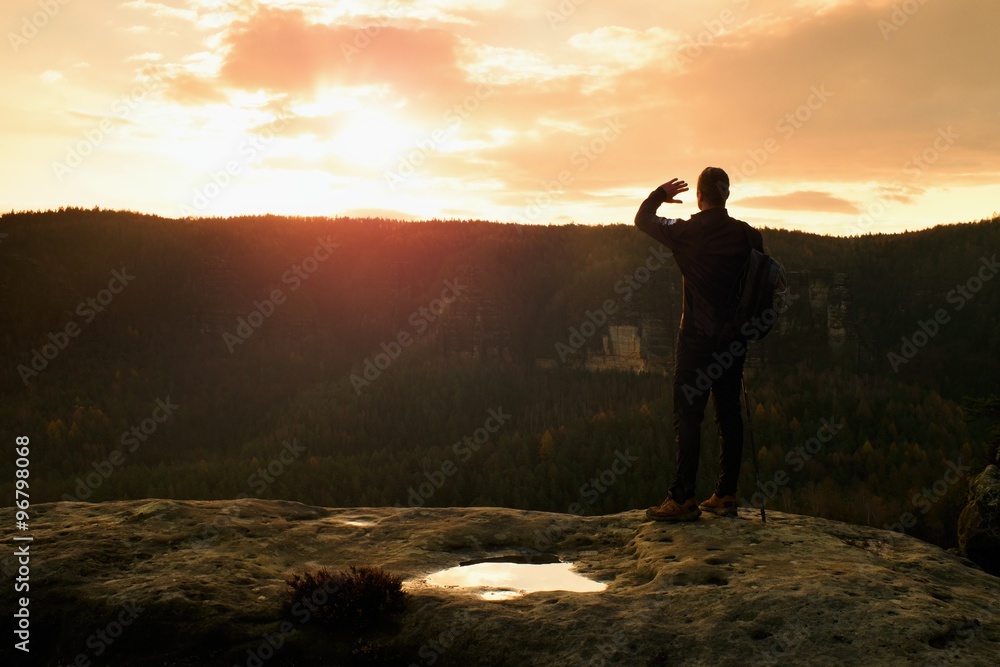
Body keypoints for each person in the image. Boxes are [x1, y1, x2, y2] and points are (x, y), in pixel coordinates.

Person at [634, 167, 763, 521]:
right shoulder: (748, 235)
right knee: (729, 415)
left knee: (688, 417)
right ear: (727, 195)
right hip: (734, 342)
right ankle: (726, 494)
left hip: (696, 342)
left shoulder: (687, 232)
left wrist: (660, 193)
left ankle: (683, 497)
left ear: (699, 196)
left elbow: (643, 220)